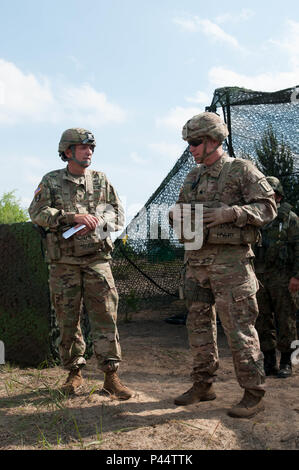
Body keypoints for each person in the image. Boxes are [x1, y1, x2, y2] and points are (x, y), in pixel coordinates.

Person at [169, 112, 277, 418]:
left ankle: (254, 392)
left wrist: (232, 214)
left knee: (239, 329)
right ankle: (203, 385)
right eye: (188, 143)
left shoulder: (240, 169)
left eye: (194, 142)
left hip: (232, 265)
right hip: (196, 262)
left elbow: (268, 207)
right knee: (198, 326)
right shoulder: (193, 176)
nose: (190, 149)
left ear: (214, 140)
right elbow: (179, 208)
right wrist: (174, 216)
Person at [29, 128, 133, 400]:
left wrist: (100, 223)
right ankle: (74, 373)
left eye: (91, 149)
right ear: (67, 152)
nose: (89, 152)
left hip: (97, 259)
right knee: (67, 318)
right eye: (83, 147)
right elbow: (37, 213)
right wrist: (71, 217)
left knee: (105, 315)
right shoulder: (51, 181)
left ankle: (111, 377)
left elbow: (118, 214)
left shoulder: (101, 180)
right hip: (63, 262)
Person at [255, 176, 299, 378]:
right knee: (262, 320)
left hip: (283, 277)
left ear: (279, 196)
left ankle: (287, 362)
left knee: (286, 320)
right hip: (260, 277)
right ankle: (269, 360)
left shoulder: (291, 219)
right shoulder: (257, 218)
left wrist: (296, 277)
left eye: (271, 194)